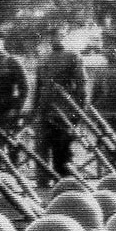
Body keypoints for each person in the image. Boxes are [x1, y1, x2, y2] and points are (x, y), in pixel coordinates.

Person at [33, 24, 87, 183]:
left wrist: (78, 113)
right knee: (41, 150)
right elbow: (37, 88)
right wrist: (34, 112)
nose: (55, 38)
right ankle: (41, 186)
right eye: (52, 36)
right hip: (44, 111)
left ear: (64, 37)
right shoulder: (43, 58)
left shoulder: (73, 56)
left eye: (58, 35)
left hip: (64, 112)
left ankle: (65, 186)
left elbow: (82, 87)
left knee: (63, 153)